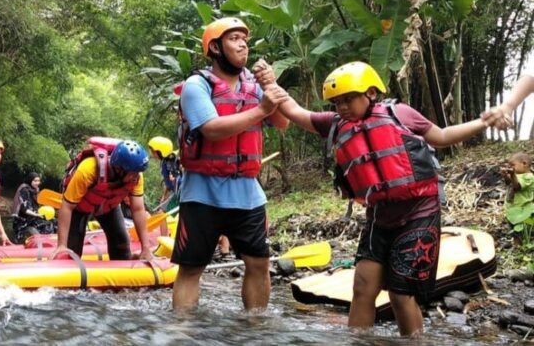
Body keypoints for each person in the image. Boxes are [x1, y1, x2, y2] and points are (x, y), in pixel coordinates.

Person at [271, 61, 489, 336]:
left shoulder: (400, 114)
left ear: (371, 93)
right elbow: (295, 111)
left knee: (400, 294)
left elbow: (442, 136)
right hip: (379, 216)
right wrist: (269, 81)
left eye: (348, 99)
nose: (342, 107)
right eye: (337, 102)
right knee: (363, 288)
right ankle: (358, 342)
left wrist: (483, 122)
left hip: (418, 211)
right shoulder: (335, 124)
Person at [171, 17, 290, 312]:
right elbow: (211, 128)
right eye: (234, 38)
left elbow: (283, 122)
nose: (242, 45)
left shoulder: (255, 86)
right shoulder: (195, 86)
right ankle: (181, 332)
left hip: (247, 193)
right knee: (190, 267)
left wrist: (271, 86)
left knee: (259, 263)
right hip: (202, 194)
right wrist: (262, 108)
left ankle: (254, 328)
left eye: (244, 40)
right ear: (214, 48)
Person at [52, 139, 154, 261]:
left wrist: (146, 248)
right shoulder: (88, 170)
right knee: (71, 251)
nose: (136, 176)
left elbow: (138, 210)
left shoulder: (135, 176)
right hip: (79, 208)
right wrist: (61, 245)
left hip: (108, 207)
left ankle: (122, 275)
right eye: (133, 173)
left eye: (138, 173)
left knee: (121, 244)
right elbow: (67, 207)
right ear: (119, 169)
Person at [148, 136, 181, 237]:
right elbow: (168, 183)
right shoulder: (165, 162)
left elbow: (175, 177)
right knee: (161, 213)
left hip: (179, 193)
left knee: (160, 214)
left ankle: (164, 238)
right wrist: (164, 195)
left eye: (153, 151)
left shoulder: (171, 161)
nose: (152, 153)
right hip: (174, 192)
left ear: (160, 151)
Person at [12, 172, 56, 244]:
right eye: (35, 181)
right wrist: (37, 215)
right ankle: (45, 243)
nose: (37, 183)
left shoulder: (34, 190)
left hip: (32, 217)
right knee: (48, 224)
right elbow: (24, 209)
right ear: (30, 180)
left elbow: (35, 206)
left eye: (38, 181)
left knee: (54, 221)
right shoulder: (24, 190)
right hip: (23, 220)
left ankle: (53, 242)